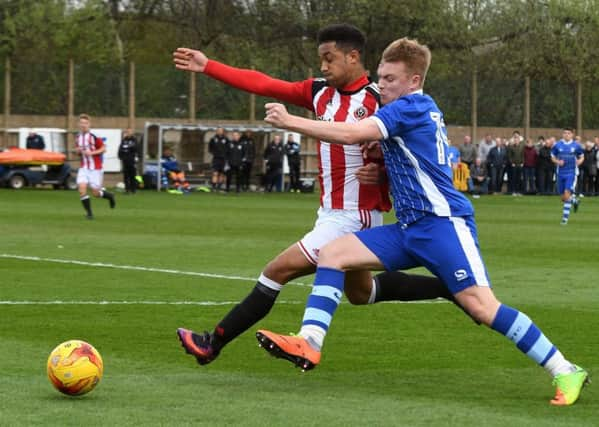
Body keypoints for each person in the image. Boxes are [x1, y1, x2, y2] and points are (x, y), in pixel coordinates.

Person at [259, 37, 588, 406]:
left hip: (443, 225)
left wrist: (291, 121)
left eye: (391, 79)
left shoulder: (411, 106)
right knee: (333, 253)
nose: (381, 85)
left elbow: (353, 132)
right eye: (380, 77)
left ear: (414, 81)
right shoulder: (409, 109)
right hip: (411, 227)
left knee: (482, 307)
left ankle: (565, 369)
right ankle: (310, 342)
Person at [172, 24, 456, 367]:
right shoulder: (319, 92)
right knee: (361, 293)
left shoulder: (378, 97)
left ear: (353, 57)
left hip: (356, 214)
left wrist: (380, 176)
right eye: (321, 59)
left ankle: (211, 343)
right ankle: (447, 288)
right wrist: (209, 66)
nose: (323, 66)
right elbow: (264, 83)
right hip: (330, 212)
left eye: (329, 58)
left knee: (276, 270)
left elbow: (407, 151)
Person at [75, 114, 115, 219]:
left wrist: (92, 153)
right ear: (79, 124)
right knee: (81, 189)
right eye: (82, 123)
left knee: (96, 193)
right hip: (84, 168)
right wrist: (78, 152)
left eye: (86, 123)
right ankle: (89, 214)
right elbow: (79, 152)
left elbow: (103, 149)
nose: (83, 125)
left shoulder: (94, 136)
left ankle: (110, 196)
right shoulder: (78, 137)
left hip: (95, 169)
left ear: (89, 124)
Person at [551, 128, 584, 225]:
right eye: (565, 133)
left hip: (571, 173)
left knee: (566, 194)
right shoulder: (557, 145)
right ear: (562, 134)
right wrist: (558, 162)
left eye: (568, 133)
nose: (566, 135)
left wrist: (579, 162)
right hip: (560, 173)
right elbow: (552, 157)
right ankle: (574, 200)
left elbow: (582, 156)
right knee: (563, 198)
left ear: (572, 135)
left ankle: (564, 219)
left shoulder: (576, 145)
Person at [118, 128, 138, 194]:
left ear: (132, 132)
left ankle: (133, 189)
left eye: (130, 131)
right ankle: (127, 189)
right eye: (127, 132)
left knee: (132, 175)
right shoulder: (124, 140)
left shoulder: (134, 140)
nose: (128, 133)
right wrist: (120, 156)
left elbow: (135, 148)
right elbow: (121, 148)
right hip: (125, 160)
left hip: (132, 160)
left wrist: (127, 147)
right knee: (126, 176)